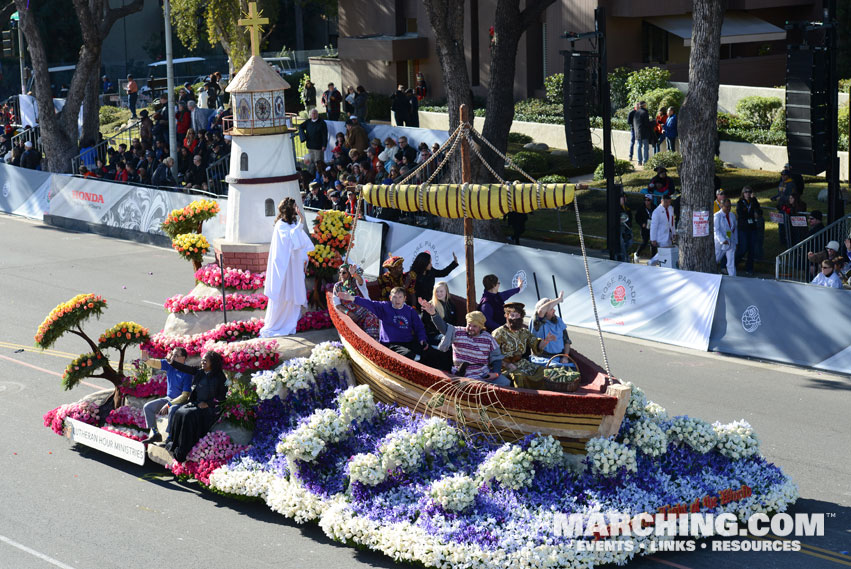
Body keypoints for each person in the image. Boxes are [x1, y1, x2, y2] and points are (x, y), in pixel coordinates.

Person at [419, 300, 509, 386]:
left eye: (475, 326)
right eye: (469, 324)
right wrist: (434, 314)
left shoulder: (488, 339)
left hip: (482, 373)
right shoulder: (458, 332)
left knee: (505, 383)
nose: (470, 328)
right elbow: (444, 328)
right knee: (475, 386)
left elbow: (497, 358)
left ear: (481, 327)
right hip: (462, 373)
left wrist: (496, 374)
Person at [259, 199, 315, 337]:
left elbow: (300, 242)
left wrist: (304, 258)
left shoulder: (294, 223)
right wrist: (301, 222)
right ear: (289, 209)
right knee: (283, 293)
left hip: (294, 265)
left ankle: (291, 320)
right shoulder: (281, 225)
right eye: (295, 206)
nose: (297, 208)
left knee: (294, 290)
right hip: (284, 267)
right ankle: (278, 323)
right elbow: (290, 240)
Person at [163, 351, 228, 462]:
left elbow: (222, 397)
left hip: (209, 408)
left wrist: (208, 404)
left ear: (213, 362)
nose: (202, 362)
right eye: (202, 360)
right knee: (179, 412)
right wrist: (172, 363)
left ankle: (182, 451)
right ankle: (174, 443)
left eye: (205, 360)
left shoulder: (220, 377)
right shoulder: (200, 371)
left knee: (187, 415)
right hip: (196, 403)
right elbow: (186, 368)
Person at [338, 286, 428, 360]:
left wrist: (422, 338)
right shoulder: (384, 307)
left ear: (404, 298)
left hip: (408, 341)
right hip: (391, 344)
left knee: (426, 351)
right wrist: (352, 298)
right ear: (390, 298)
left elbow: (419, 327)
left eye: (400, 297)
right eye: (394, 297)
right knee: (409, 355)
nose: (397, 300)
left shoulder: (410, 310)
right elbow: (369, 303)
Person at [138, 347, 194, 444]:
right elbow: (154, 362)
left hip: (181, 402)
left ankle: (170, 438)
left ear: (183, 358)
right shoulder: (170, 365)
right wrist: (145, 357)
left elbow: (185, 396)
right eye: (172, 355)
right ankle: (156, 435)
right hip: (168, 399)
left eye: (176, 356)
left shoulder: (187, 372)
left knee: (172, 410)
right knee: (148, 407)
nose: (173, 357)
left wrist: (169, 404)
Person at [493, 303, 555, 387]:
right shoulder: (498, 333)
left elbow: (536, 345)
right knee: (520, 376)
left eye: (517, 315)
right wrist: (506, 364)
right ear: (506, 316)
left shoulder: (524, 332)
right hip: (505, 366)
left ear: (521, 316)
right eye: (512, 315)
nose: (515, 318)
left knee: (544, 372)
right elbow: (492, 354)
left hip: (522, 364)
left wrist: (546, 340)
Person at [331, 264, 380, 340]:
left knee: (372, 322)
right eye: (340, 273)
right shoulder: (338, 286)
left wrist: (354, 274)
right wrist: (348, 313)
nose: (341, 275)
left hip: (366, 313)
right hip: (352, 315)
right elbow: (337, 305)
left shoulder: (356, 282)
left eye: (344, 273)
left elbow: (360, 281)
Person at [531, 294, 571, 360]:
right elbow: (541, 311)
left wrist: (565, 356)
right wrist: (559, 299)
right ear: (545, 312)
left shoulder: (558, 320)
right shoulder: (537, 322)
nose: (554, 311)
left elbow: (566, 341)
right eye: (551, 309)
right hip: (543, 358)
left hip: (560, 358)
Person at [736, 186, 762, 275]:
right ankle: (735, 263)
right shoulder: (740, 203)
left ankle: (749, 268)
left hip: (752, 228)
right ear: (743, 193)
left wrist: (756, 213)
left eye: (749, 192)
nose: (748, 193)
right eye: (746, 192)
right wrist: (750, 215)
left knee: (752, 249)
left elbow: (759, 211)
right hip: (743, 228)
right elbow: (741, 214)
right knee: (743, 248)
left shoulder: (753, 201)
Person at [423, 281, 457, 345]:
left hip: (448, 332)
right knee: (449, 338)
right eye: (437, 291)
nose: (438, 294)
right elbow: (424, 324)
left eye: (441, 291)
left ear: (446, 292)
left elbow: (454, 322)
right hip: (434, 335)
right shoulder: (430, 306)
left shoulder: (451, 305)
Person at [714, 198, 737, 276]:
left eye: (730, 206)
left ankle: (733, 277)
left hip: (730, 242)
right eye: (726, 206)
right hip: (720, 243)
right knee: (716, 260)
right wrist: (722, 240)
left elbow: (733, 229)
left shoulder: (732, 215)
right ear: (721, 206)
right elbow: (716, 230)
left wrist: (735, 241)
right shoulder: (717, 216)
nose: (728, 208)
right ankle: (711, 275)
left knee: (731, 262)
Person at [634, 194, 655, 260]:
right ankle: (637, 253)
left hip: (653, 227)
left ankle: (653, 258)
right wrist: (642, 224)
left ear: (651, 201)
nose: (646, 201)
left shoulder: (654, 207)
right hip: (645, 227)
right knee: (644, 242)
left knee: (653, 242)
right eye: (645, 200)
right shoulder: (641, 208)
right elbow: (637, 218)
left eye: (648, 200)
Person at [632, 101, 651, 166]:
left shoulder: (636, 112)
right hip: (644, 132)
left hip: (637, 132)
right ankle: (645, 162)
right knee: (645, 147)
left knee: (639, 146)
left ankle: (639, 161)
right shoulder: (645, 112)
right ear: (644, 105)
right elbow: (647, 123)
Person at [617, 193, 633, 262]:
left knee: (630, 241)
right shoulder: (617, 207)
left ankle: (623, 254)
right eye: (622, 198)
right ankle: (624, 257)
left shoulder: (627, 207)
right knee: (622, 242)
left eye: (625, 197)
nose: (624, 199)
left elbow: (630, 216)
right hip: (620, 228)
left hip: (627, 227)